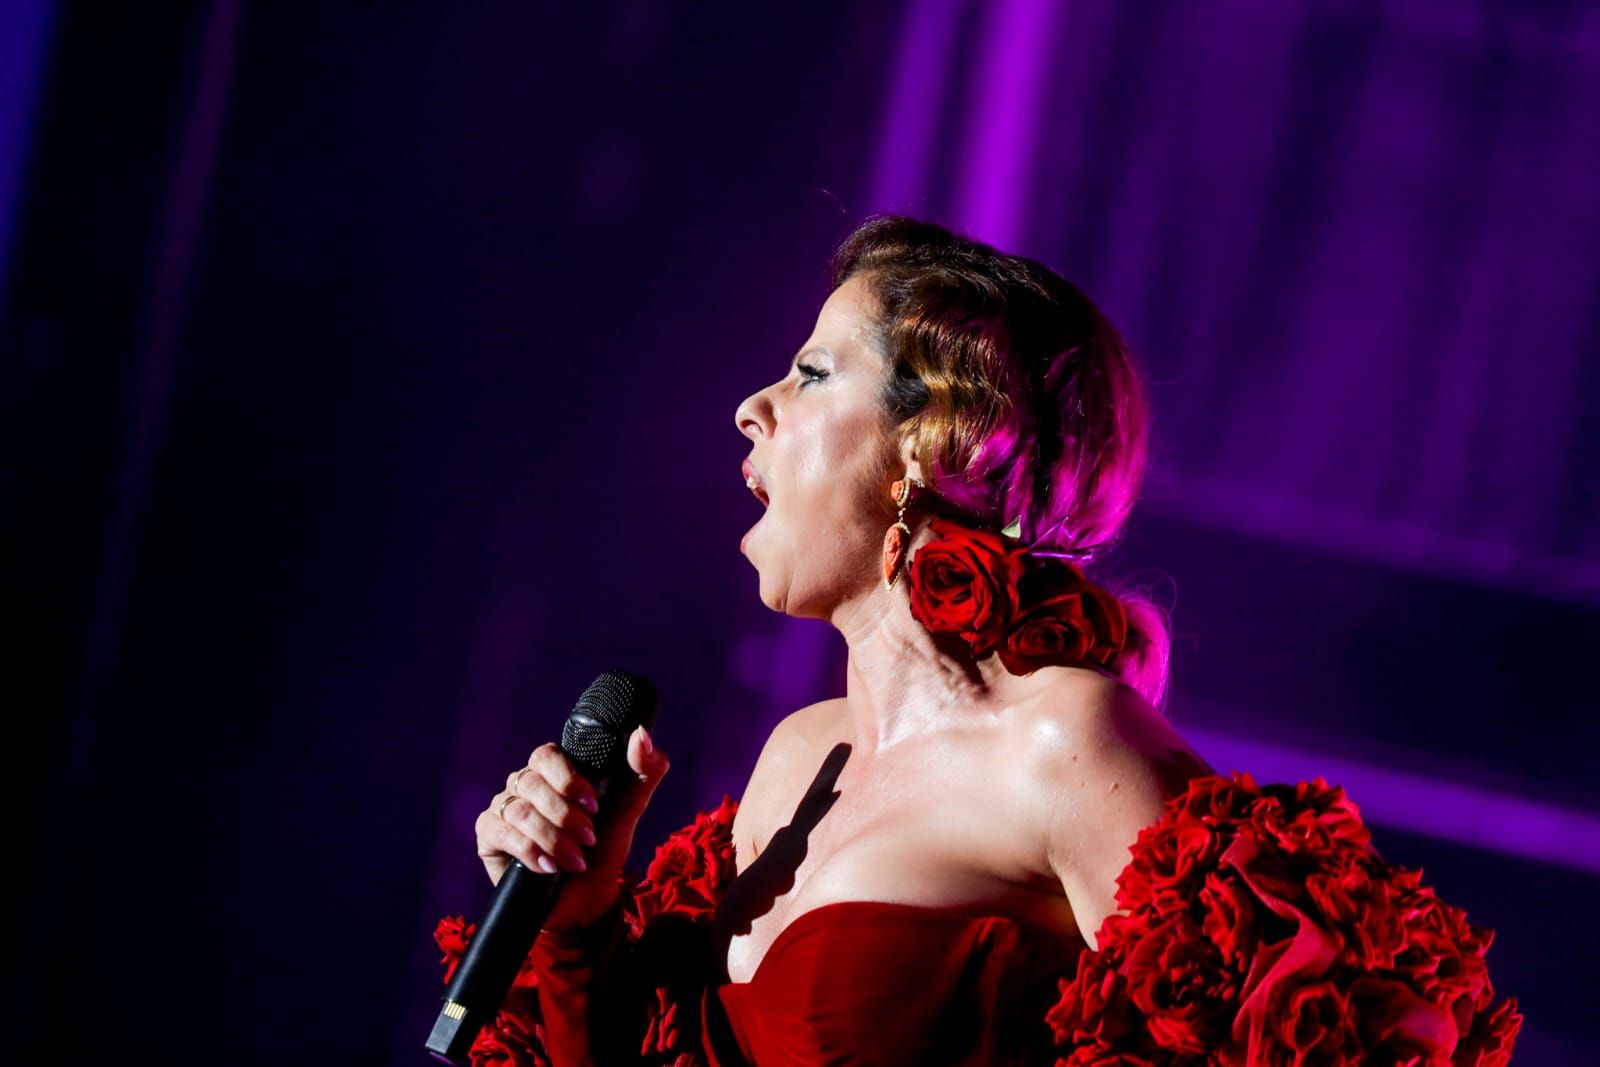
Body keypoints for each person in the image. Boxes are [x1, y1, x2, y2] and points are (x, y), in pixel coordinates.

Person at [455, 217, 1517, 1066]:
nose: (751, 407)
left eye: (815, 373)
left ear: (934, 440)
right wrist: (581, 921)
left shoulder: (1062, 741)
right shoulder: (797, 757)